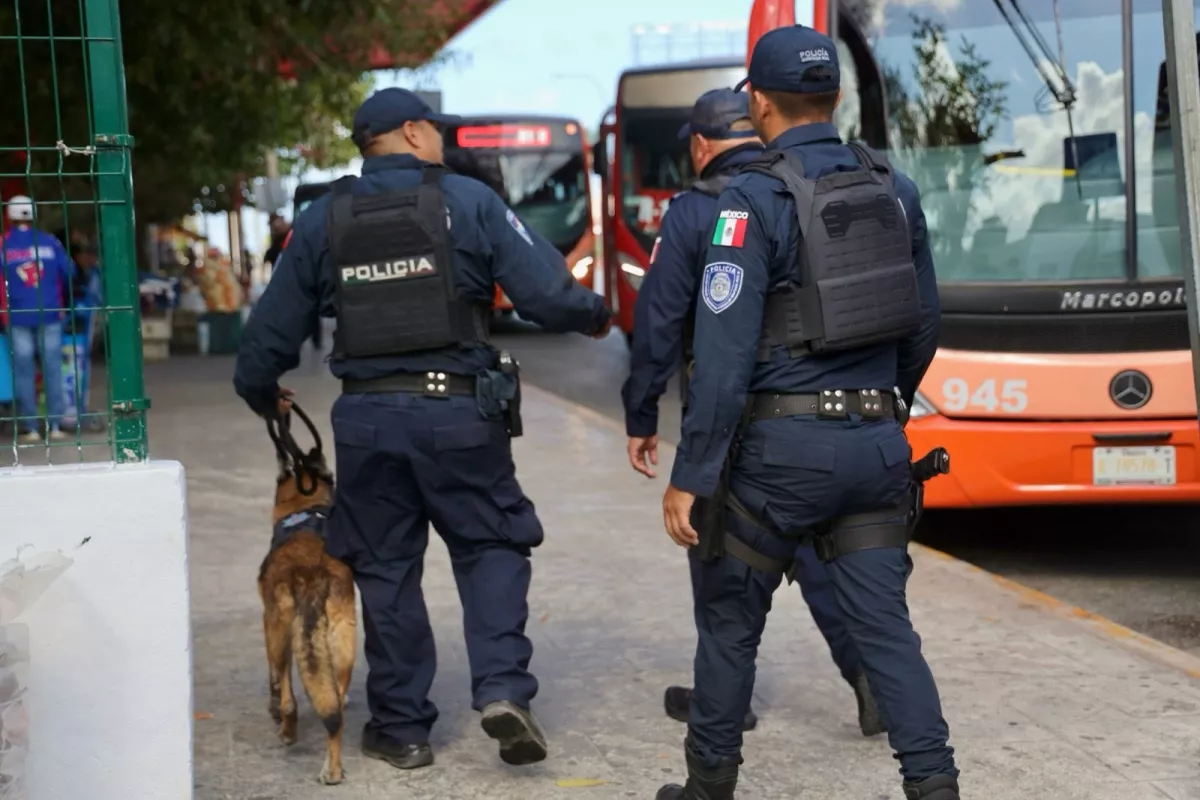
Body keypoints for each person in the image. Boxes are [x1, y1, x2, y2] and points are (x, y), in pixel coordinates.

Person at [233, 88, 611, 773]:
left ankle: (403, 727)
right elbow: (547, 294)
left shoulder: (323, 219)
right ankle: (501, 687)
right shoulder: (468, 201)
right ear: (410, 133)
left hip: (368, 420)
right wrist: (595, 314)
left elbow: (268, 334)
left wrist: (262, 392)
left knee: (384, 566)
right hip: (461, 415)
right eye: (438, 131)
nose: (446, 142)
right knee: (492, 543)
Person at [656, 26, 957, 800]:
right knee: (888, 634)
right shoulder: (895, 186)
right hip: (876, 447)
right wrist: (882, 405)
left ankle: (708, 787)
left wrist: (691, 474)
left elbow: (720, 359)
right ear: (834, 97)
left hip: (778, 459)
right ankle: (935, 786)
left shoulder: (750, 201)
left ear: (757, 102)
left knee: (729, 624)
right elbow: (924, 321)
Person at [621, 87, 883, 739]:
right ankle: (871, 679)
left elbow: (656, 322)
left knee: (720, 561)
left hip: (726, 420)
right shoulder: (800, 193)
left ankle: (723, 702)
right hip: (813, 413)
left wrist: (641, 414)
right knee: (814, 548)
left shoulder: (692, 212)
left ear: (700, 146)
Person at [1, 196, 69, 442]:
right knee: (52, 369)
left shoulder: (3, 244)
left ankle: (30, 428)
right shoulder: (50, 242)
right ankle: (55, 425)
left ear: (9, 215)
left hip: (17, 316)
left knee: (24, 372)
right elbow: (68, 271)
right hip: (50, 312)